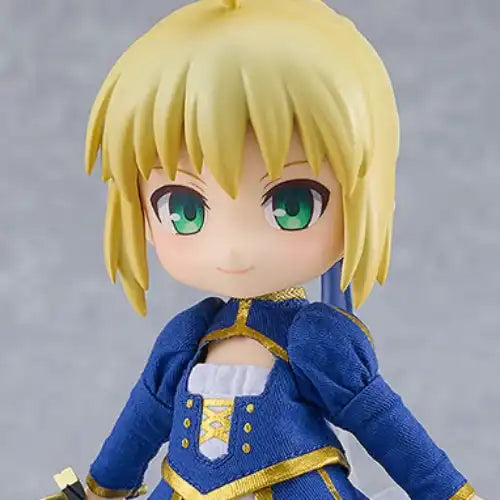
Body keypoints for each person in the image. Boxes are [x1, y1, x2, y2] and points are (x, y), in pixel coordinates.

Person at [82, 0, 479, 498]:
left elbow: (388, 428)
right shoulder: (185, 339)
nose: (234, 248)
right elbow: (139, 427)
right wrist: (98, 490)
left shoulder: (315, 339)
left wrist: (448, 492)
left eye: (292, 204)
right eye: (183, 209)